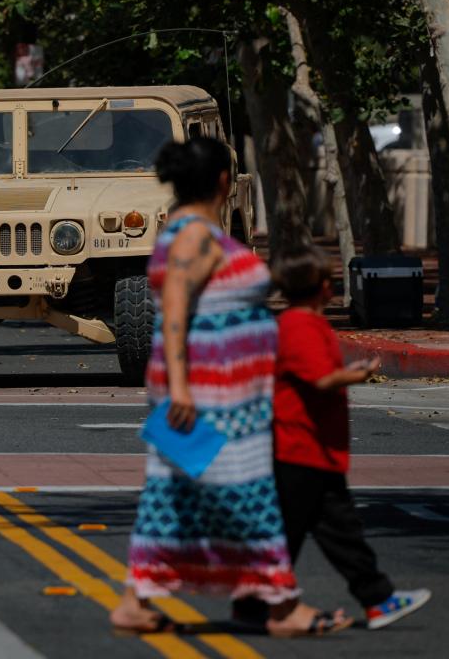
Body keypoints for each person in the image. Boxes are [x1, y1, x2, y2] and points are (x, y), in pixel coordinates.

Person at [110, 137, 352, 637]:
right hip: (208, 398)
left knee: (176, 500)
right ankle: (282, 608)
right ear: (224, 180)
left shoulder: (191, 230)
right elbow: (174, 306)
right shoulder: (194, 236)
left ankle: (136, 601)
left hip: (217, 395)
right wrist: (180, 390)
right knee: (250, 499)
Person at [252, 245, 430, 629]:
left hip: (315, 451)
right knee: (298, 533)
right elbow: (320, 379)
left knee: (333, 532)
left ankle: (375, 598)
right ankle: (374, 598)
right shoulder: (301, 327)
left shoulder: (302, 325)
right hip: (301, 449)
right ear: (322, 287)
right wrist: (360, 373)